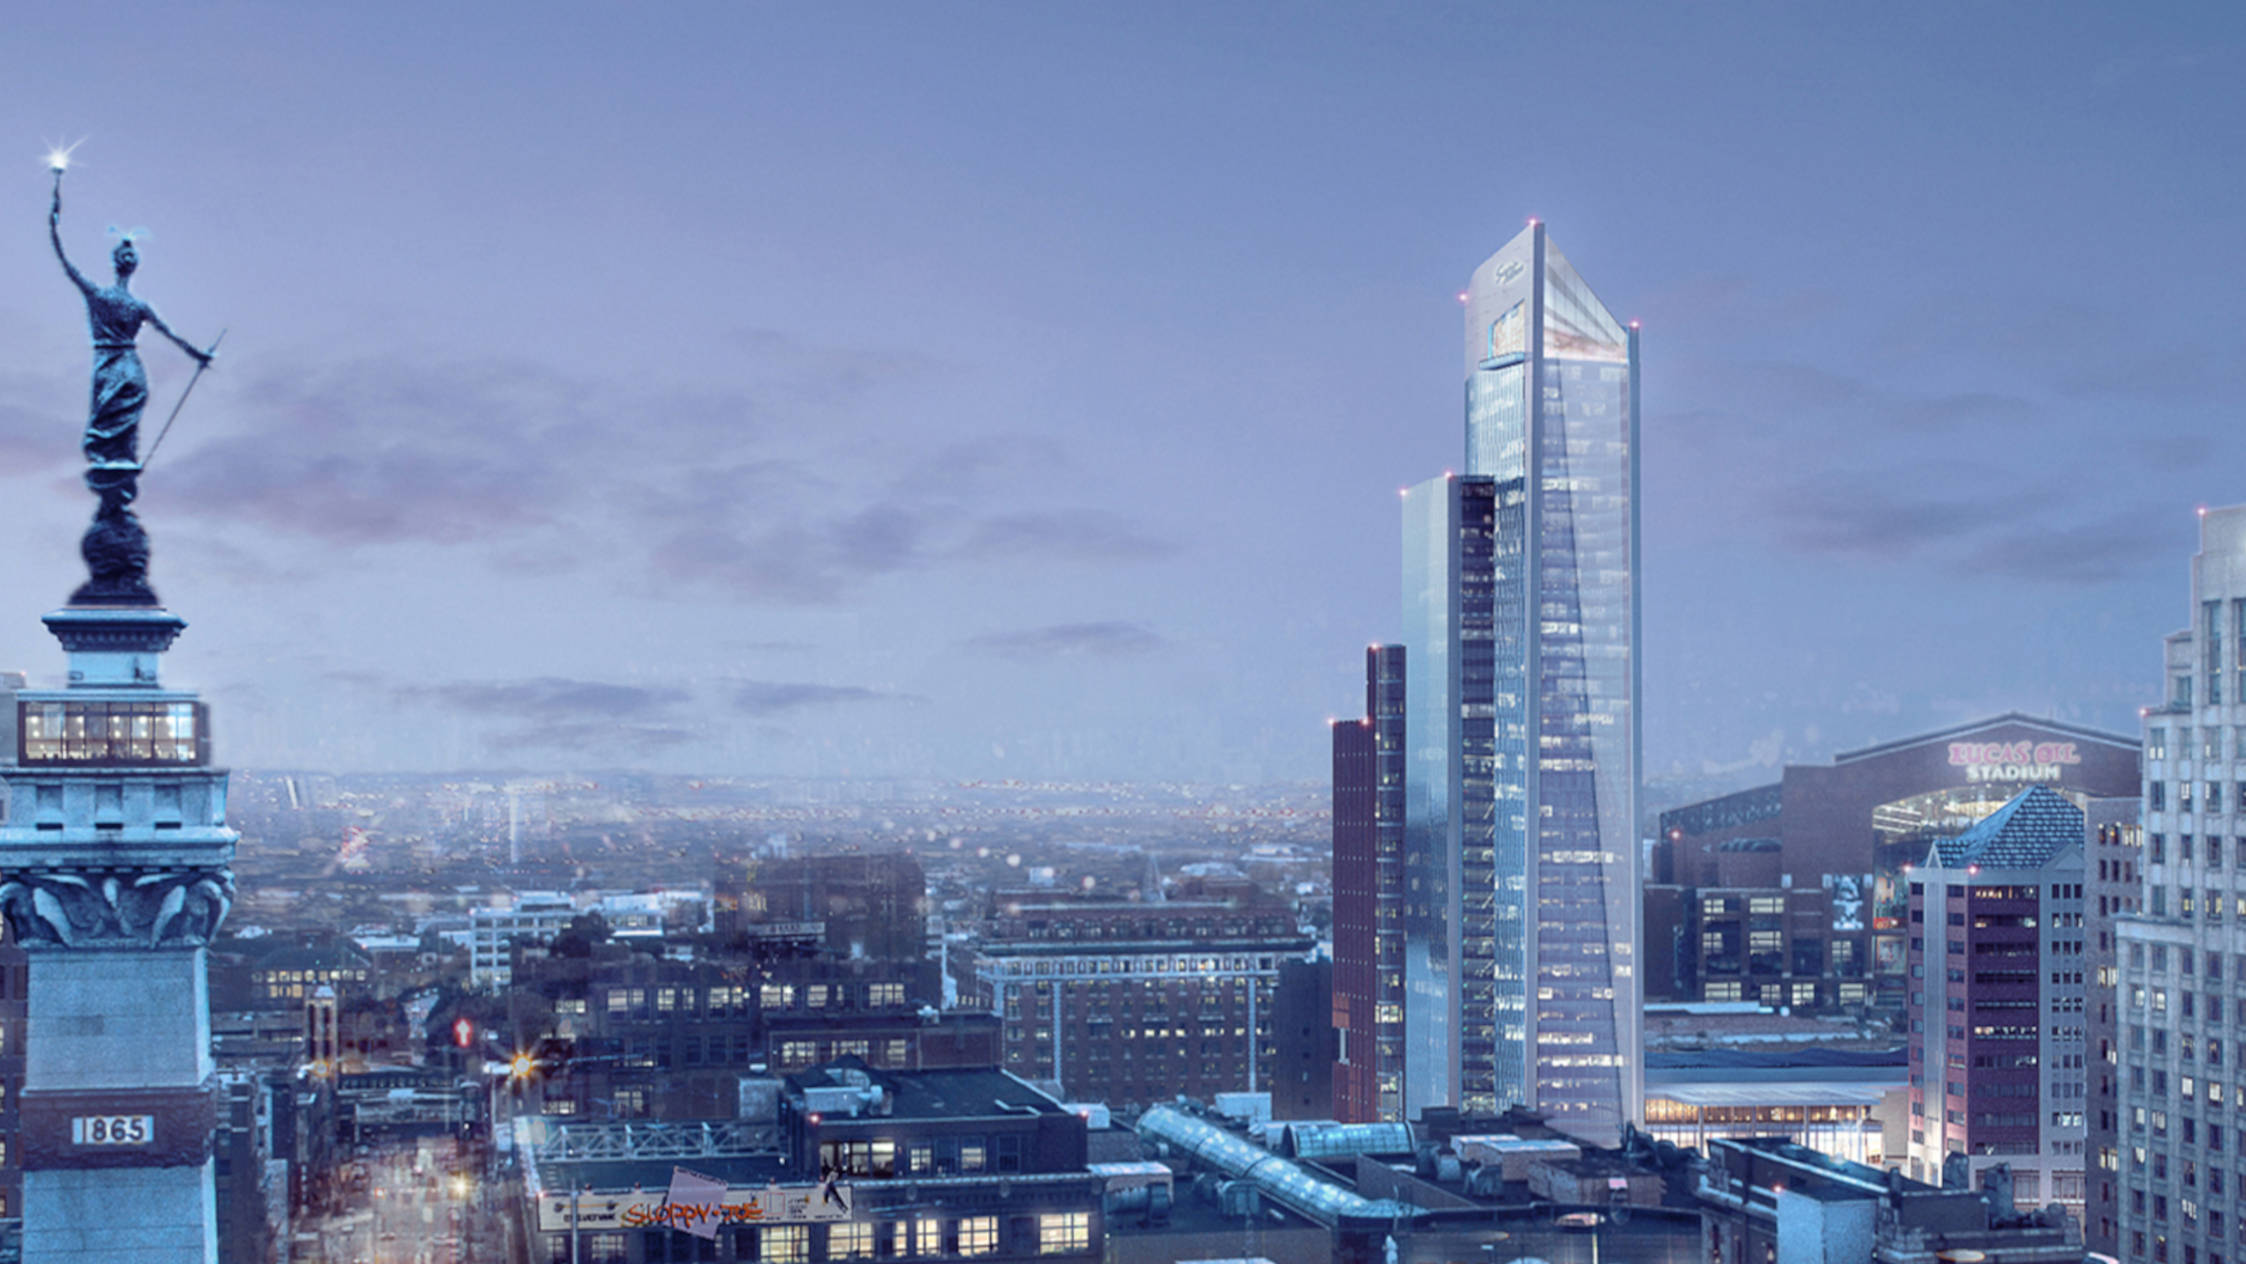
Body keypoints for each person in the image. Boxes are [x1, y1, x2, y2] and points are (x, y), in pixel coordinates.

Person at [49, 179, 212, 503]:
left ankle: (113, 468)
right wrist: (199, 355)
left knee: (106, 422)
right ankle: (119, 466)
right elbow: (171, 335)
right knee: (124, 422)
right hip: (131, 368)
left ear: (116, 264)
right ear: (133, 267)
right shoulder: (138, 306)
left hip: (109, 366)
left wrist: (53, 220)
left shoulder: (98, 296)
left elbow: (65, 262)